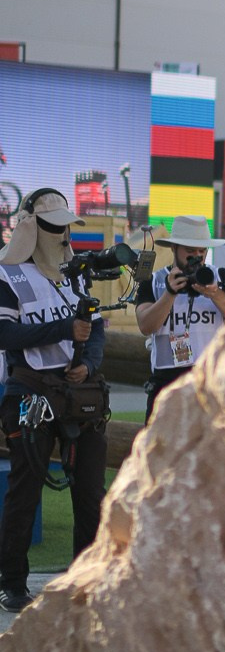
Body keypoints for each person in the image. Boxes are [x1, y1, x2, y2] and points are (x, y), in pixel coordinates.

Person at [0, 189, 108, 612]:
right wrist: (65, 330)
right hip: (30, 393)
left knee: (91, 493)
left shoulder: (77, 273)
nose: (62, 232)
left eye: (65, 223)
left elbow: (94, 329)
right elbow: (4, 335)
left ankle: (87, 578)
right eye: (52, 224)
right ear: (30, 226)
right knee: (25, 492)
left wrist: (90, 365)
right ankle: (12, 582)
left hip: (79, 394)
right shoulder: (8, 275)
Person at [136, 214, 225, 421]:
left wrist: (215, 294)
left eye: (202, 251)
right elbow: (146, 325)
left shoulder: (221, 276)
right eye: (190, 251)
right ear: (174, 248)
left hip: (209, 380)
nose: (197, 257)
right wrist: (169, 293)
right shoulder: (155, 280)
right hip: (167, 381)